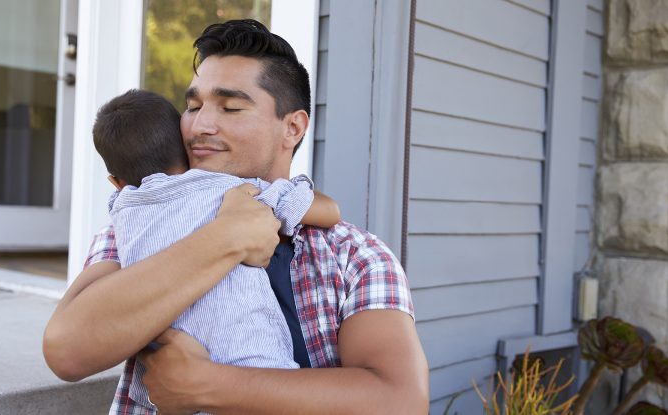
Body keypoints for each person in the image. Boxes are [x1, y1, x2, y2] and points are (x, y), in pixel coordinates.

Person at [43, 19, 429, 414]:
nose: (199, 126)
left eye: (230, 107)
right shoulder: (138, 223)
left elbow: (400, 401)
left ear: (292, 127)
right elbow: (68, 351)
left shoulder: (354, 256)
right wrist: (226, 238)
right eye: (193, 106)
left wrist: (209, 385)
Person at [92, 88, 340, 411]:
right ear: (186, 150)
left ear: (116, 182)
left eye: (231, 108)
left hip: (167, 383)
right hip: (254, 367)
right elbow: (327, 211)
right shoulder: (225, 190)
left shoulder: (121, 215)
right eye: (193, 107)